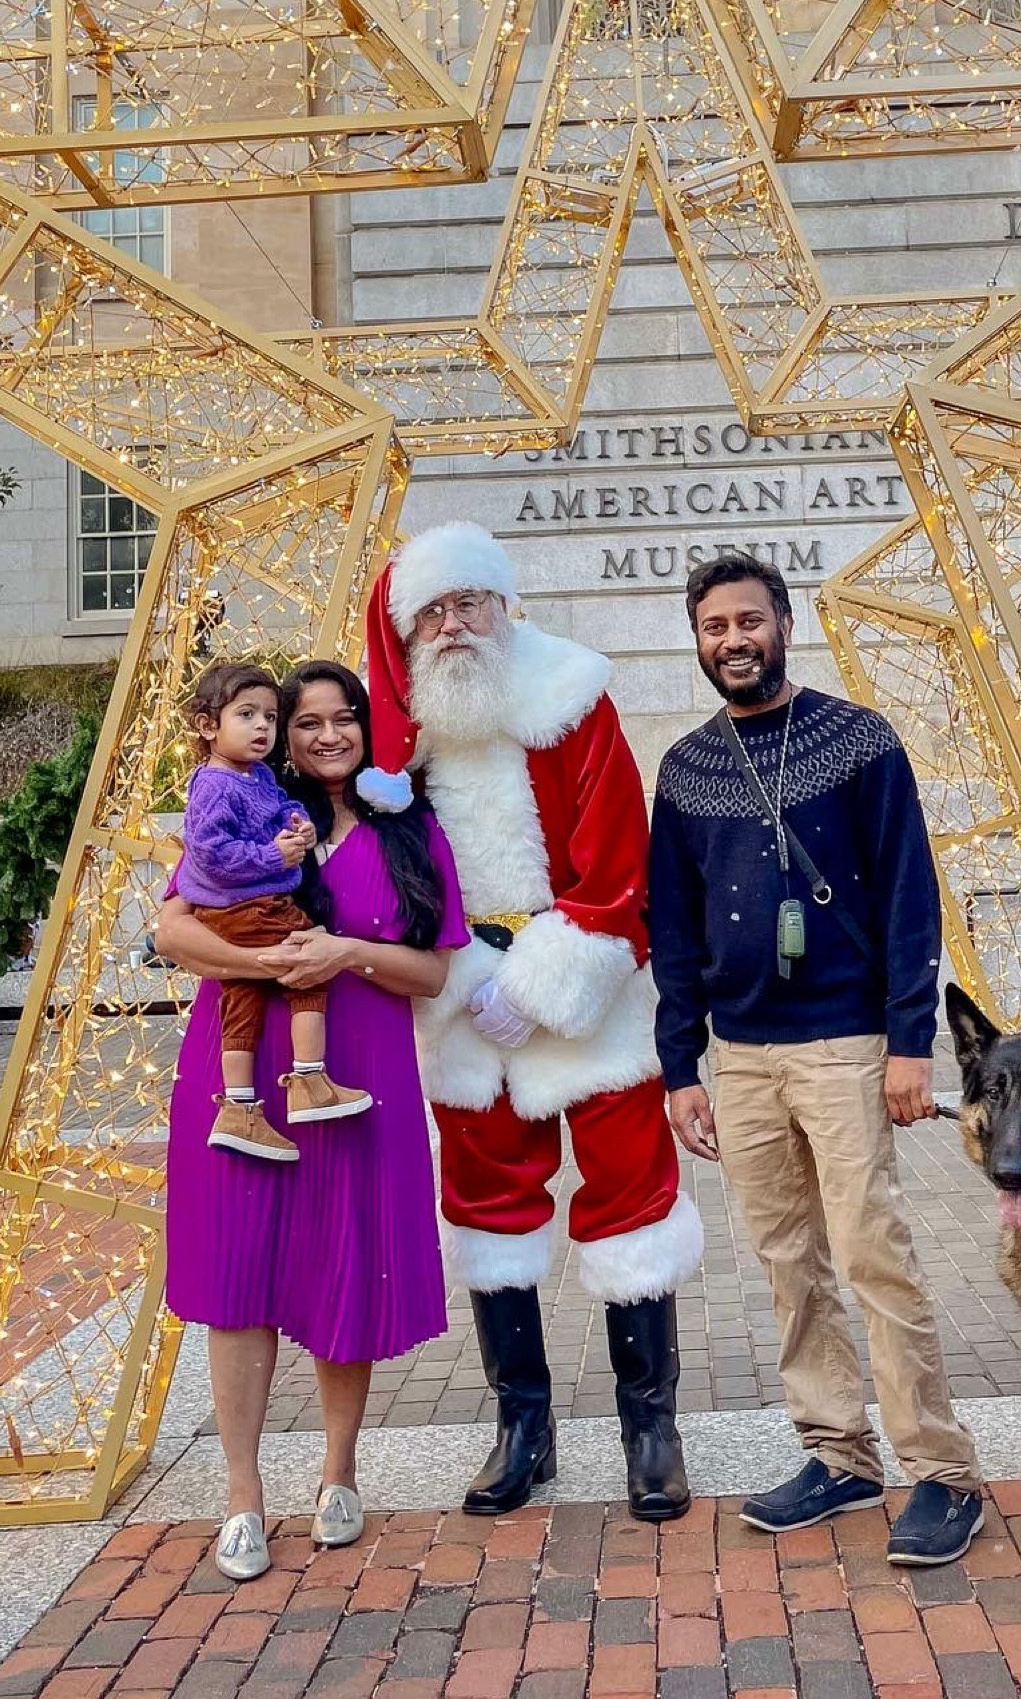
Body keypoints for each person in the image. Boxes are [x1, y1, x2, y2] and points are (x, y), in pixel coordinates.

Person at [649, 553, 986, 1568]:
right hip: (740, 1055)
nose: (732, 639)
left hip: (845, 1047)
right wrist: (679, 1066)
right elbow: (670, 924)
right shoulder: (684, 768)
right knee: (788, 1265)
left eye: (748, 620)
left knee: (874, 1255)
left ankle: (942, 1470)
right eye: (713, 626)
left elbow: (908, 898)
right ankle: (837, 1451)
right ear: (699, 641)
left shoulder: (858, 741)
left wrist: (908, 1042)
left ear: (785, 624)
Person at [363, 522, 703, 1522]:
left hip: (585, 994)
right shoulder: (397, 741)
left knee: (632, 1197)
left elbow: (617, 862)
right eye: (433, 609)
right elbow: (384, 884)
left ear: (503, 605)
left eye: (469, 601)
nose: (454, 623)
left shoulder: (570, 699)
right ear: (409, 628)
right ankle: (524, 1425)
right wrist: (465, 980)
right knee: (487, 1213)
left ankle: (652, 1427)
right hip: (464, 1003)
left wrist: (543, 983)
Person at [157, 661, 466, 1583]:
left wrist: (344, 952)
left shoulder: (409, 832)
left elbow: (432, 974)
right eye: (306, 723)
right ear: (278, 734)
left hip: (359, 1072)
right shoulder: (244, 811)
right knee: (234, 1271)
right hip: (238, 1072)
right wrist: (267, 969)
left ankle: (338, 1473)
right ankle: (242, 1495)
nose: (327, 737)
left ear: (368, 731)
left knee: (347, 1263)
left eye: (344, 721)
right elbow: (172, 931)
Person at [174, 661, 371, 1160]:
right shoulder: (215, 784)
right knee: (309, 965)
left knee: (241, 1001)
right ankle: (308, 1078)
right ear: (207, 725)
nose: (262, 726)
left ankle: (239, 1108)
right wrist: (272, 856)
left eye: (269, 716)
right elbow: (210, 853)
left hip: (243, 911)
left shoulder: (254, 775)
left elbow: (277, 807)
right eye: (247, 715)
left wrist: (298, 824)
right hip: (249, 906)